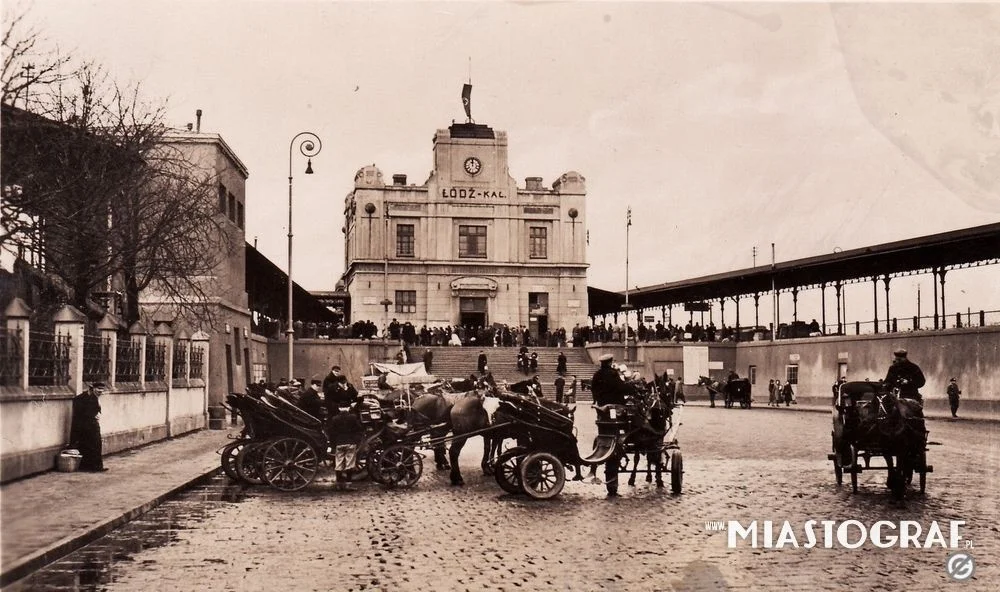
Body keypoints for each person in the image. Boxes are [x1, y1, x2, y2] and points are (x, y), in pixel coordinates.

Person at [590, 354, 632, 497]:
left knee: (605, 430)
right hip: (615, 410)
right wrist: (630, 386)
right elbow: (621, 388)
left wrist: (599, 400)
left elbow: (593, 390)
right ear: (610, 362)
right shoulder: (613, 375)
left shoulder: (597, 375)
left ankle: (603, 442)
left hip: (602, 413)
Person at [70, 382, 107, 472]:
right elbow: (79, 411)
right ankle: (93, 467)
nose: (100, 391)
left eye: (102, 389)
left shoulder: (93, 397)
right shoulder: (83, 398)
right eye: (98, 389)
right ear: (92, 388)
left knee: (94, 445)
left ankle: (94, 466)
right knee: (92, 444)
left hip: (91, 424)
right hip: (86, 425)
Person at [327, 405, 364, 491]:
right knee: (350, 464)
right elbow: (359, 430)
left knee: (338, 463)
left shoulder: (335, 419)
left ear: (339, 408)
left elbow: (331, 433)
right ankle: (348, 484)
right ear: (348, 408)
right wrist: (356, 440)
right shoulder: (353, 417)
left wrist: (333, 444)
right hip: (350, 443)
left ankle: (338, 484)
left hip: (339, 443)